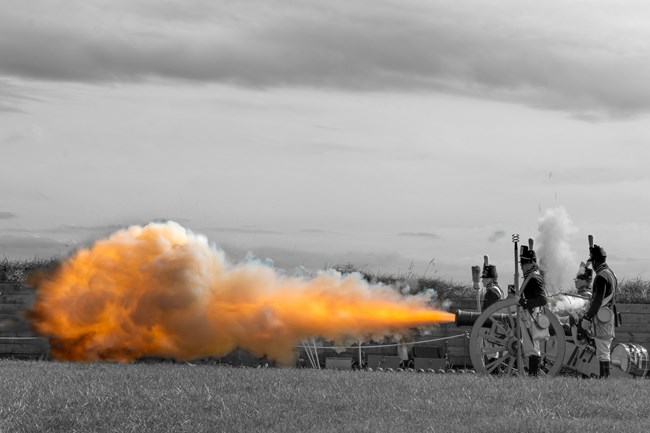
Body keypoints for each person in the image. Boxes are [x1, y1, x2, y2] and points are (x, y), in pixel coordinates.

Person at [580, 243, 617, 378]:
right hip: (606, 316)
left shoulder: (601, 276)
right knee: (603, 350)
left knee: (602, 351)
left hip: (602, 318)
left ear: (595, 261)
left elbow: (598, 301)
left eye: (592, 262)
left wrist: (587, 317)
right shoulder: (610, 273)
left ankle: (604, 380)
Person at [517, 239, 548, 376]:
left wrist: (523, 302)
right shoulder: (531, 277)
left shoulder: (534, 278)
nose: (522, 266)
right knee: (531, 348)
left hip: (531, 315)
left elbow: (542, 299)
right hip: (529, 314)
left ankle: (534, 376)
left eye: (524, 263)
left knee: (533, 349)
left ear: (531, 263)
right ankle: (533, 375)